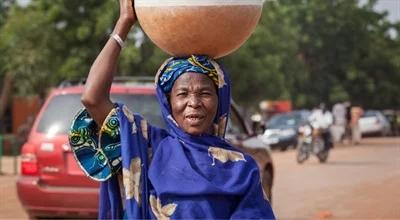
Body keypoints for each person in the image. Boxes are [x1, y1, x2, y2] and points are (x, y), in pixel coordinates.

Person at [68, 0, 275, 219]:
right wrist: (124, 23)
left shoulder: (241, 169)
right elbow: (92, 99)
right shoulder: (149, 148)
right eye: (183, 94)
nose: (193, 102)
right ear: (168, 103)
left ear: (219, 101)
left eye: (204, 93)